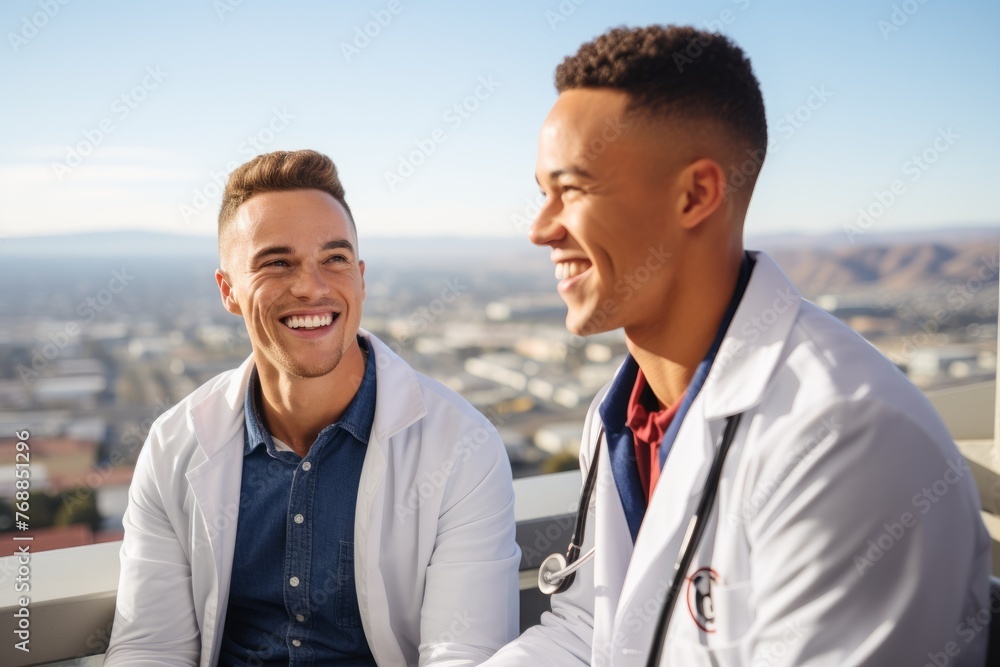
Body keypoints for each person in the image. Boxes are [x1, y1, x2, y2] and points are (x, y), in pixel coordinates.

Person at [485, 25, 991, 666]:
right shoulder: (622, 419)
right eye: (542, 193)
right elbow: (591, 630)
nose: (540, 229)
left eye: (575, 189)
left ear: (696, 194)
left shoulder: (849, 438)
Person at [104, 149, 520, 666]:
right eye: (278, 262)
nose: (312, 286)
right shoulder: (174, 445)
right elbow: (150, 648)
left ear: (361, 278)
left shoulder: (461, 446)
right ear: (228, 290)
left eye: (335, 259)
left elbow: (465, 653)